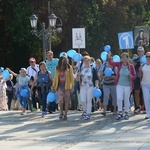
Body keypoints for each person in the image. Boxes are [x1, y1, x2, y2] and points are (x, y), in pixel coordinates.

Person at [108, 52, 136, 120]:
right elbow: (111, 63)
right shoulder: (119, 64)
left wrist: (131, 77)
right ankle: (120, 112)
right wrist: (109, 57)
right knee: (119, 98)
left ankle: (126, 112)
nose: (123, 59)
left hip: (127, 85)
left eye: (125, 57)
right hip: (119, 84)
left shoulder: (131, 66)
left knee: (126, 99)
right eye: (122, 57)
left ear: (127, 58)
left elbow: (135, 76)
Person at [52, 53, 74, 120]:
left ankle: (66, 114)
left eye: (65, 59)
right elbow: (55, 77)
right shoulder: (57, 68)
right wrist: (53, 85)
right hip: (60, 86)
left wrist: (72, 86)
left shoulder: (69, 67)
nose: (63, 60)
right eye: (62, 59)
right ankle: (61, 111)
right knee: (60, 100)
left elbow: (71, 77)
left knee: (66, 100)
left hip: (67, 86)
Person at [77, 55, 99, 120]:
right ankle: (85, 110)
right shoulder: (81, 69)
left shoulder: (92, 69)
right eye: (85, 61)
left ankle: (88, 113)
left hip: (90, 86)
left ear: (90, 62)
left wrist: (97, 85)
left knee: (89, 100)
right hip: (83, 86)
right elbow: (77, 79)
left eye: (88, 61)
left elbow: (96, 78)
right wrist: (78, 76)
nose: (86, 62)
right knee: (83, 100)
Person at [132, 46, 145, 114]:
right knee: (136, 92)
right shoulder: (135, 59)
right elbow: (132, 66)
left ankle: (144, 106)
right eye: (138, 51)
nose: (139, 52)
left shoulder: (147, 58)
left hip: (145, 77)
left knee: (144, 93)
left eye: (141, 51)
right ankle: (137, 107)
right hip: (137, 77)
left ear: (143, 51)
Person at [139, 52, 150, 119]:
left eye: (149, 56)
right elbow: (140, 76)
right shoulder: (142, 65)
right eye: (147, 56)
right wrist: (140, 71)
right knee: (146, 98)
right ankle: (148, 113)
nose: (148, 58)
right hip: (145, 84)